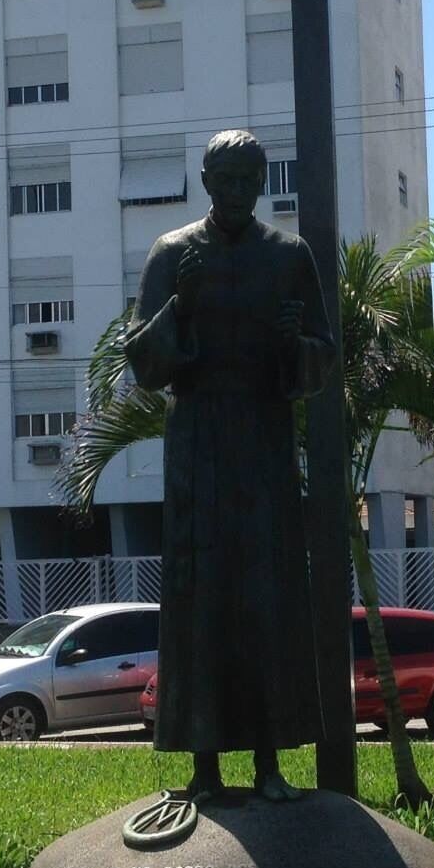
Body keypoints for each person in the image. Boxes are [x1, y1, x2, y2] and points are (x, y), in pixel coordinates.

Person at [128, 129, 335, 803]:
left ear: (263, 181)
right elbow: (143, 363)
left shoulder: (289, 255)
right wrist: (181, 307)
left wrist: (291, 345)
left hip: (265, 438)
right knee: (202, 599)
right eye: (229, 179)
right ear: (208, 181)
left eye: (252, 179)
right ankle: (205, 767)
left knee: (267, 597)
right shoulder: (172, 252)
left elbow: (320, 356)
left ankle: (270, 763)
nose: (241, 191)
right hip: (198, 443)